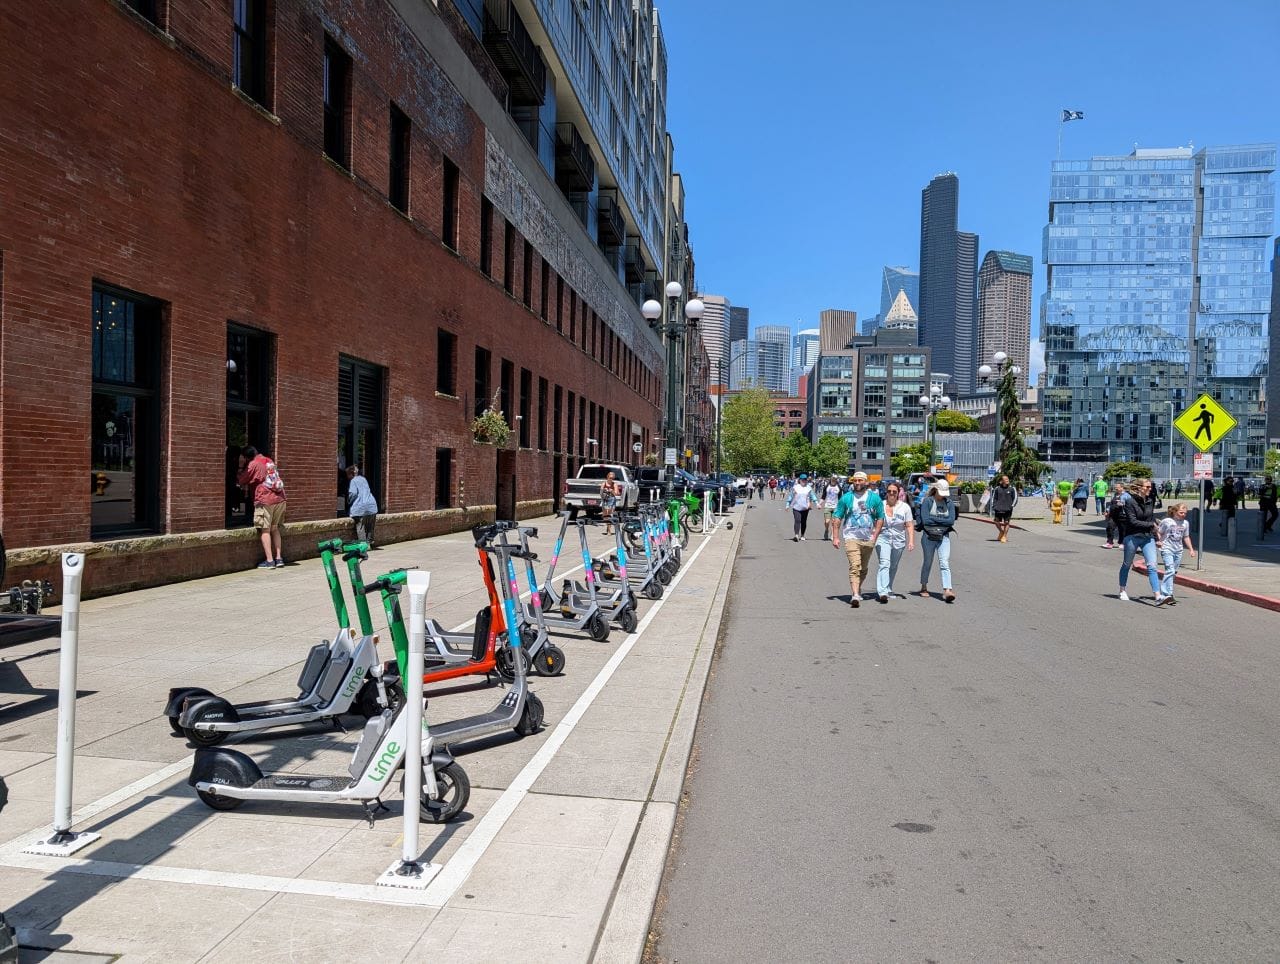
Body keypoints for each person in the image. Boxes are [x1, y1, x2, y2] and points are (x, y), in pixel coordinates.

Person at [832, 471, 884, 607]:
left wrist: (875, 535)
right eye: (855, 480)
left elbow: (880, 518)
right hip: (851, 537)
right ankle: (855, 594)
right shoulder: (846, 498)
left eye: (860, 480)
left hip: (868, 538)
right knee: (855, 566)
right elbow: (837, 517)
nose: (857, 483)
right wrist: (836, 537)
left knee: (863, 568)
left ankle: (858, 587)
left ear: (866, 482)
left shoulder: (875, 498)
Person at [237, 446, 286, 569]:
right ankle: (279, 559)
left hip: (266, 500)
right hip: (280, 498)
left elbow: (242, 480)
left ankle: (269, 561)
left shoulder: (253, 464)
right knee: (274, 528)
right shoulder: (268, 460)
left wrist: (240, 466)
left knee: (265, 530)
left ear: (247, 457)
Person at [1118, 478, 1162, 602]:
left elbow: (1150, 518)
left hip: (1147, 538)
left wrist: (1157, 533)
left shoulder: (1150, 500)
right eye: (1147, 487)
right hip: (1132, 536)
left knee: (1152, 566)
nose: (1150, 489)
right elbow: (1132, 521)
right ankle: (1122, 590)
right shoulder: (1130, 502)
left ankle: (1157, 596)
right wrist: (1151, 525)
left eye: (1150, 487)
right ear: (1139, 488)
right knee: (1127, 564)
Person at [917, 480, 957, 602]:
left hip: (944, 536)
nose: (943, 495)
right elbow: (925, 520)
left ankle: (947, 589)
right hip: (928, 536)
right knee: (928, 562)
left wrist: (934, 519)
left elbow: (951, 521)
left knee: (944, 562)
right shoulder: (928, 501)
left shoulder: (949, 503)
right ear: (936, 490)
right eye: (941, 492)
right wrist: (942, 520)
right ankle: (924, 586)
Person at [874, 481, 914, 602]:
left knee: (893, 566)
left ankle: (888, 587)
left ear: (898, 493)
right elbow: (873, 522)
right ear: (886, 492)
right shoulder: (880, 505)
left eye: (894, 492)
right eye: (889, 491)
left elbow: (909, 524)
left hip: (898, 540)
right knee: (884, 563)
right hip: (883, 538)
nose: (891, 493)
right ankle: (883, 592)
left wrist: (911, 541)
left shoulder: (905, 507)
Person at [1155, 502, 1195, 606]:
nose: (1183, 515)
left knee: (1173, 572)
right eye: (1181, 512)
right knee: (1170, 570)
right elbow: (1159, 531)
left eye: (1185, 513)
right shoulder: (1167, 521)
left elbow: (1186, 537)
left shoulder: (1185, 523)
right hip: (1167, 548)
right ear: (1174, 512)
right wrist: (1159, 541)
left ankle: (1169, 594)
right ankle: (1166, 594)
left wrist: (1191, 549)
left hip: (1178, 550)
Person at [345, 465, 378, 546]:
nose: (347, 477)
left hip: (360, 507)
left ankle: (363, 546)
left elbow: (353, 493)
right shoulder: (363, 479)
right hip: (372, 506)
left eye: (348, 474)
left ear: (351, 474)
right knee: (370, 527)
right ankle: (369, 543)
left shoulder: (353, 481)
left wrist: (348, 501)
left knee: (360, 526)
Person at [785, 473, 815, 541]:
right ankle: (796, 535)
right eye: (803, 479)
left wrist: (817, 503)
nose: (804, 481)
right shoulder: (795, 487)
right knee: (797, 520)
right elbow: (790, 496)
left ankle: (802, 535)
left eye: (805, 479)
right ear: (800, 480)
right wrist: (787, 505)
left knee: (803, 521)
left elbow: (812, 496)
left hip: (805, 507)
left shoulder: (808, 487)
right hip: (796, 507)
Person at [990, 474, 1018, 543]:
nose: (1007, 480)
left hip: (1008, 509)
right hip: (998, 508)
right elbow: (994, 498)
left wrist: (1012, 506)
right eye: (1005, 479)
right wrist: (994, 506)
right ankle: (1001, 532)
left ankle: (1004, 536)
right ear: (1001, 481)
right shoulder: (997, 488)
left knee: (1006, 522)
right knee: (996, 521)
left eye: (1007, 479)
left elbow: (1015, 498)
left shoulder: (1012, 488)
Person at [1105, 481, 1128, 549]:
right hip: (1113, 515)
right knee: (1109, 527)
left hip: (1122, 515)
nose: (1116, 488)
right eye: (1115, 487)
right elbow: (1111, 504)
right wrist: (1107, 511)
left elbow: (1129, 504)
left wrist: (1122, 504)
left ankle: (1122, 542)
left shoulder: (1126, 495)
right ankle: (1109, 542)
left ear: (1122, 487)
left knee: (1122, 530)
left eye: (1117, 487)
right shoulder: (1115, 494)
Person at [821, 476, 842, 541]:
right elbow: (823, 496)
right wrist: (819, 503)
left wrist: (841, 506)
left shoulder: (839, 488)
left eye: (835, 480)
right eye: (832, 479)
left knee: (833, 522)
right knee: (827, 521)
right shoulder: (827, 486)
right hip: (827, 506)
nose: (833, 481)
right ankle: (826, 530)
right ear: (831, 480)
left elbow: (840, 498)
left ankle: (833, 534)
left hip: (835, 506)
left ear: (836, 480)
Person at [600, 470, 620, 535]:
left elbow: (616, 494)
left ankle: (609, 530)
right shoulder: (604, 484)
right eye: (610, 478)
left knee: (610, 515)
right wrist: (604, 491)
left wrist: (612, 491)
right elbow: (600, 493)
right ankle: (608, 527)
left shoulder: (615, 484)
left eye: (612, 478)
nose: (611, 479)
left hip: (612, 500)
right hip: (605, 500)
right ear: (607, 477)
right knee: (606, 516)